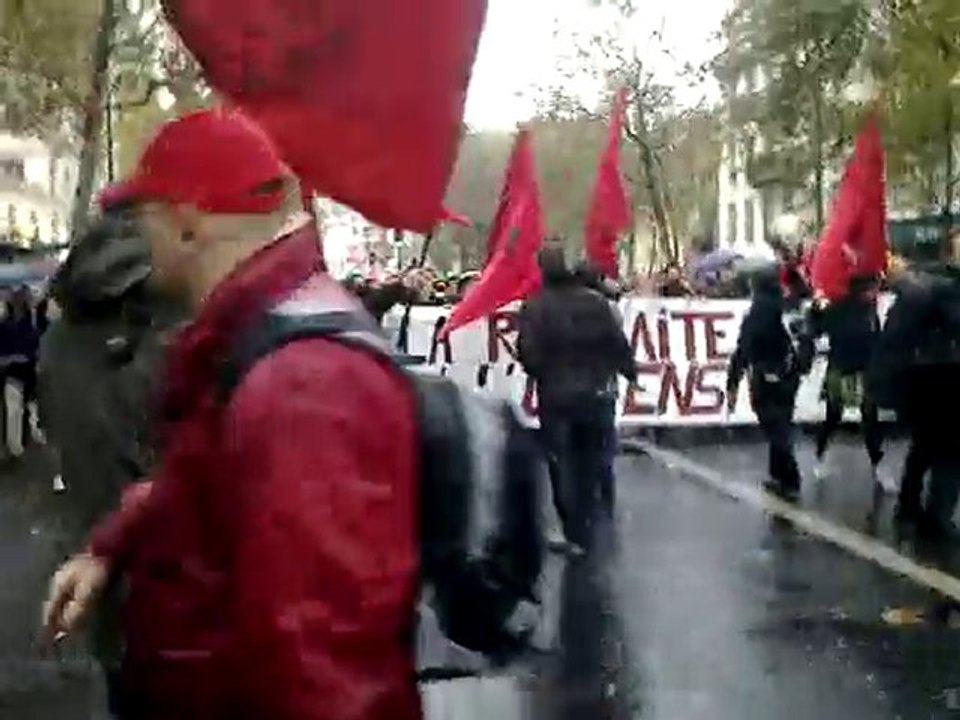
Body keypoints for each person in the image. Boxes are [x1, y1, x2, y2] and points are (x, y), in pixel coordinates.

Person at [43, 108, 421, 720]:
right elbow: (195, 469)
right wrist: (108, 546)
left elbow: (328, 677)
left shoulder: (300, 382)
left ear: (188, 225)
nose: (140, 241)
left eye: (145, 220)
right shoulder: (249, 337)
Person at [37, 206, 178, 715]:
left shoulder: (58, 338)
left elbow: (57, 429)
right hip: (182, 594)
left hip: (98, 572)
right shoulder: (177, 332)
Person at [518, 245, 636, 554]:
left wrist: (546, 371)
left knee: (561, 460)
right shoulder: (596, 303)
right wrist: (628, 372)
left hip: (557, 396)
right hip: (596, 393)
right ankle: (587, 521)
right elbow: (617, 344)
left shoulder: (535, 307)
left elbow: (529, 354)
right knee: (590, 458)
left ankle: (572, 530)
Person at [870, 263, 960, 539]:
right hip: (949, 378)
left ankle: (908, 506)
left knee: (923, 446)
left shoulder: (910, 300)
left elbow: (890, 343)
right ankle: (938, 515)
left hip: (917, 382)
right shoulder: (948, 297)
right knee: (950, 452)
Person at [727, 265, 812, 499]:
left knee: (774, 426)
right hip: (789, 375)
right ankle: (778, 475)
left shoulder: (759, 312)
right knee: (781, 419)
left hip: (766, 375)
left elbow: (743, 349)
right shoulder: (791, 307)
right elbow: (806, 337)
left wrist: (733, 382)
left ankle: (790, 477)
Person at [810, 274, 886, 486]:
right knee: (833, 417)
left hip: (862, 370)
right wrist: (816, 311)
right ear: (861, 290)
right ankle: (820, 456)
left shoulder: (870, 312)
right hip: (842, 369)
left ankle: (877, 465)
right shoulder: (838, 309)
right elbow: (818, 329)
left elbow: (876, 339)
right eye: (871, 289)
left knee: (870, 419)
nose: (875, 294)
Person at [573, 261, 625, 516]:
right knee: (604, 444)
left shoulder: (563, 307)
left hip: (573, 385)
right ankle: (605, 496)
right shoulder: (609, 309)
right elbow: (619, 345)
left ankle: (582, 498)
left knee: (579, 445)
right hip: (603, 385)